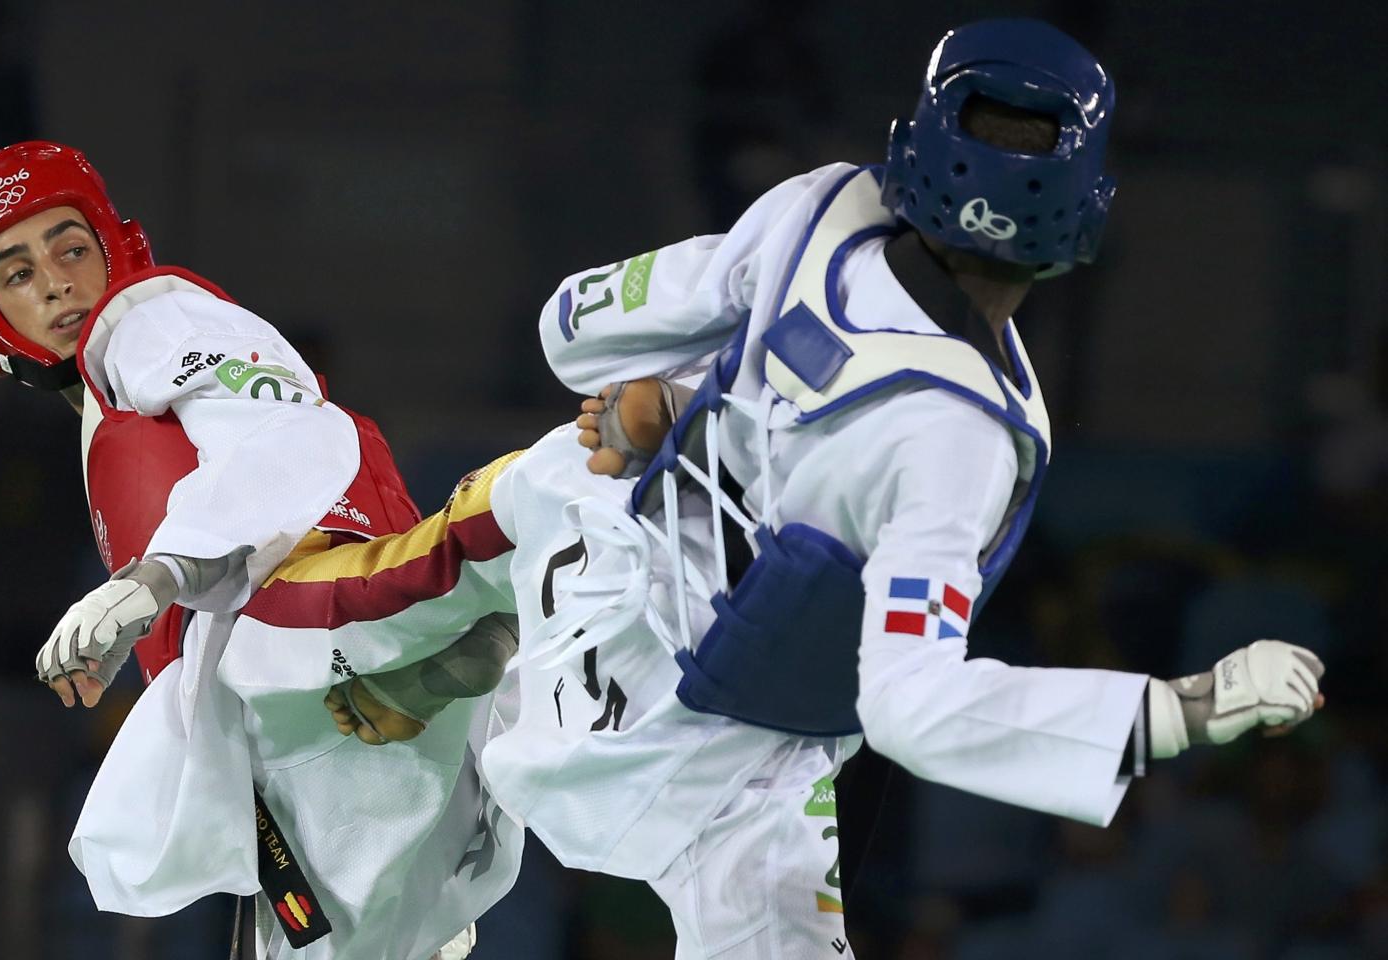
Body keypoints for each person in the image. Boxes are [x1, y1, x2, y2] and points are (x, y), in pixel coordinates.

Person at [399, 19, 1323, 960]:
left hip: (574, 588)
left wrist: (685, 394)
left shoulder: (817, 210)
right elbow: (912, 708)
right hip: (710, 762)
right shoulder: (963, 438)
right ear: (1081, 213)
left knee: (529, 506)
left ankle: (422, 739)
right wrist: (1181, 709)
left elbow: (572, 331)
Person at [0, 141, 520, 960]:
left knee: (476, 542)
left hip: (304, 625)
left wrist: (153, 581)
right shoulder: (113, 407)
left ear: (117, 248)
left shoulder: (150, 320)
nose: (57, 284)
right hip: (309, 724)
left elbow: (293, 437)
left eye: (70, 250)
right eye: (19, 273)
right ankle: (442, 651)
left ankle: (502, 551)